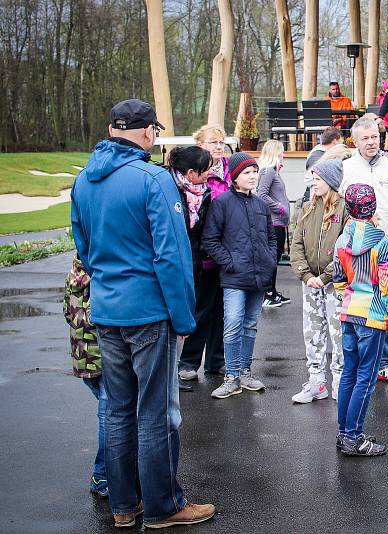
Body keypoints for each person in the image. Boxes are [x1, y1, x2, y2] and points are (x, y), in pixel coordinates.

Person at [71, 99, 214, 528]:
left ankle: (123, 505)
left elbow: (83, 248)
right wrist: (185, 319)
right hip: (148, 313)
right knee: (154, 413)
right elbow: (171, 257)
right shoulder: (153, 179)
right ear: (148, 132)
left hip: (107, 309)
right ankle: (163, 507)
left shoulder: (83, 180)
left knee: (117, 411)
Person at [341, 118, 388, 384]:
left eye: (375, 137)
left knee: (384, 306)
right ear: (355, 141)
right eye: (365, 138)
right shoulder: (346, 169)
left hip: (387, 253)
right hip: (354, 257)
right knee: (354, 307)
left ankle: (384, 363)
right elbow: (338, 212)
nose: (371, 142)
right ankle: (357, 363)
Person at [332, 183, 388, 456]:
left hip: (350, 313)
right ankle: (354, 436)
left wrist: (346, 297)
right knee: (367, 378)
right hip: (372, 317)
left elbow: (338, 279)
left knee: (349, 374)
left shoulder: (342, 240)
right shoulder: (381, 243)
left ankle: (344, 432)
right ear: (373, 208)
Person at [203, 152, 275, 399]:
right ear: (234, 177)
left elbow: (271, 237)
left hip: (259, 276)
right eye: (247, 172)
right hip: (234, 277)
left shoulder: (261, 204)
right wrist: (228, 262)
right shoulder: (221, 203)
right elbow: (210, 240)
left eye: (255, 171)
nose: (253, 176)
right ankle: (231, 376)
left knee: (250, 325)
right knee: (232, 325)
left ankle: (245, 372)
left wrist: (270, 260)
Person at [290, 159, 349, 403]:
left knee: (338, 333)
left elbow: (345, 248)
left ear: (331, 182)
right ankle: (316, 381)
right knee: (312, 331)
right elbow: (296, 243)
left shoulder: (344, 209)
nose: (313, 183)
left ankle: (338, 382)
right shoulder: (307, 206)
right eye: (313, 178)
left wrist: (325, 277)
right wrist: (305, 275)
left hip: (334, 284)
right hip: (310, 282)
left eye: (318, 179)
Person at [178, 125, 229, 382]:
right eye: (212, 142)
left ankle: (216, 360)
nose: (218, 147)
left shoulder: (231, 171)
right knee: (200, 309)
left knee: (222, 310)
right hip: (202, 256)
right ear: (199, 145)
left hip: (227, 254)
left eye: (221, 142)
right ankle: (188, 361)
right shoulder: (196, 174)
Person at [168, 146, 213, 392]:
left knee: (193, 316)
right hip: (174, 264)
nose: (209, 174)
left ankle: (181, 368)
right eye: (205, 170)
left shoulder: (202, 192)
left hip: (195, 261)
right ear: (191, 172)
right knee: (174, 320)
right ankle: (170, 374)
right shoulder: (169, 190)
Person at [63, 256, 107, 498]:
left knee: (109, 413)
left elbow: (67, 313)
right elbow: (96, 317)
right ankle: (102, 476)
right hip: (100, 358)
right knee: (110, 416)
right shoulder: (95, 278)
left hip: (83, 361)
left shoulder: (73, 274)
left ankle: (110, 472)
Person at [257, 140, 292, 308]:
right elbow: (261, 194)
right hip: (273, 222)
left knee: (275, 257)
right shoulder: (268, 172)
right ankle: (267, 293)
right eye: (281, 153)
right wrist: (279, 208)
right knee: (272, 258)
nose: (283, 155)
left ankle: (273, 291)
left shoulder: (273, 171)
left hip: (279, 222)